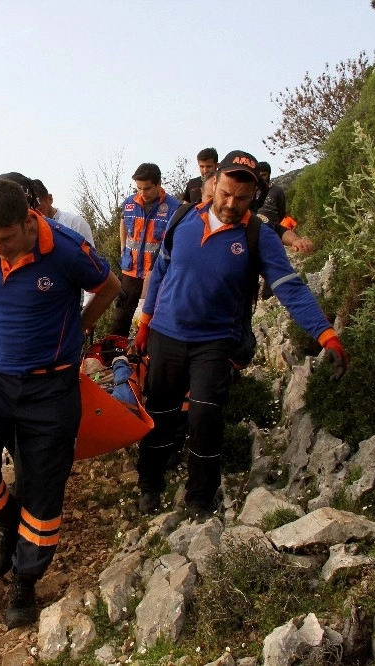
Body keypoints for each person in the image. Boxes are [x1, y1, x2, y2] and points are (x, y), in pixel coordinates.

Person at [0, 178, 121, 628]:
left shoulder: (68, 249)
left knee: (41, 487)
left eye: (5, 238)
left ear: (28, 220)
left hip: (50, 388)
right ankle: (10, 529)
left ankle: (26, 580)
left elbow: (109, 287)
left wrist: (80, 330)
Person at [131, 150, 348, 519]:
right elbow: (160, 273)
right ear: (213, 185)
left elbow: (289, 287)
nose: (231, 204)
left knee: (205, 419)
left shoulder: (257, 235)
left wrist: (325, 333)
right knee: (159, 412)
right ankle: (150, 484)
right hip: (166, 334)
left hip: (215, 341)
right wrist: (145, 322)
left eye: (242, 198)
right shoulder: (183, 218)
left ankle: (200, 497)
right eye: (226, 194)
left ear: (254, 197)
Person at [109, 163, 181, 338]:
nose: (143, 193)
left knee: (153, 321)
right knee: (120, 318)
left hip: (157, 274)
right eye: (139, 188)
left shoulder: (174, 208)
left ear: (158, 184)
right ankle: (115, 357)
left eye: (147, 188)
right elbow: (123, 222)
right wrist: (123, 250)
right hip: (130, 271)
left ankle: (146, 359)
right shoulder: (129, 203)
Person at [251, 161, 314, 255]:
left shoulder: (277, 191)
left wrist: (295, 240)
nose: (261, 178)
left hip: (272, 227)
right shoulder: (251, 190)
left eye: (263, 175)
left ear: (268, 175)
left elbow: (281, 213)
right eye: (259, 175)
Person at [31, 178, 94, 248]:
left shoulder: (75, 223)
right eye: (32, 212)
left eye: (39, 209)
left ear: (49, 199)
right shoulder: (30, 233)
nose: (37, 215)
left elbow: (90, 256)